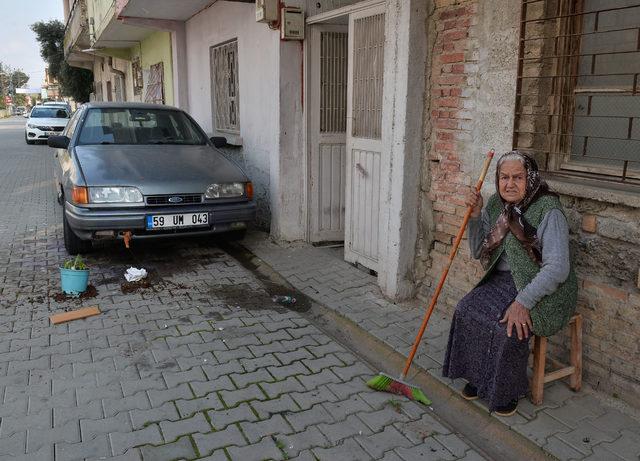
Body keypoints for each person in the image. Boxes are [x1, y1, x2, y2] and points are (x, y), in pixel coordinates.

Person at [442, 150, 577, 416]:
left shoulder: (548, 210)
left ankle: (507, 391)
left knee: (509, 325)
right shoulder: (495, 205)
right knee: (466, 310)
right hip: (505, 280)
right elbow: (479, 251)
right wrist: (476, 215)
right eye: (504, 177)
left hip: (543, 287)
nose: (510, 184)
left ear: (532, 178)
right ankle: (479, 377)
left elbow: (558, 269)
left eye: (518, 177)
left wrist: (523, 302)